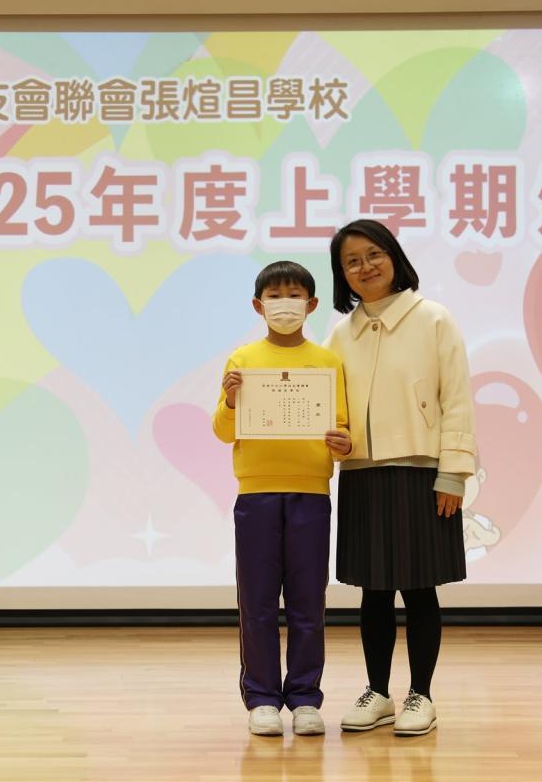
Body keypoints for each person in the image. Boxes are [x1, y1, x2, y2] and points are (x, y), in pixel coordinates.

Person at [323, 219, 476, 737]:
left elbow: (457, 398)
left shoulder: (433, 319)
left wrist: (454, 472)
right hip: (362, 474)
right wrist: (337, 439)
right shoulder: (339, 334)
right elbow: (332, 409)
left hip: (422, 473)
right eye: (352, 261)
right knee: (373, 592)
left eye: (374, 254)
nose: (365, 267)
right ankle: (378, 692)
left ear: (393, 256)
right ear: (342, 275)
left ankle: (421, 695)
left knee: (419, 589)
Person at [213, 260, 353, 737]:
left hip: (311, 492)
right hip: (255, 493)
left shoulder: (327, 362)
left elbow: (342, 427)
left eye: (294, 295)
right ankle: (262, 699)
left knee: (308, 601)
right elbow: (222, 431)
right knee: (256, 601)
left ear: (311, 304)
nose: (284, 304)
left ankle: (305, 698)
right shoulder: (242, 359)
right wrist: (232, 401)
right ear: (259, 305)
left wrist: (344, 443)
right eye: (275, 296)